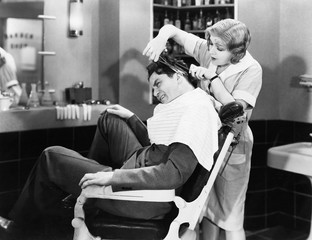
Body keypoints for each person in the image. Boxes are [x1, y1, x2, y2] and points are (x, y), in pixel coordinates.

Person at [0, 54, 220, 239]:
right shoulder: (191, 101)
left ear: (179, 76)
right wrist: (132, 118)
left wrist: (112, 177)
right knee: (110, 117)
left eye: (158, 83)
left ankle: (16, 230)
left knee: (52, 156)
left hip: (146, 198)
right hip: (142, 167)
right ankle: (85, 190)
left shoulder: (196, 111)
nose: (155, 93)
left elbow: (172, 175)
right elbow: (161, 145)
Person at [143, 19, 262, 240]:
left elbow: (235, 112)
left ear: (236, 51)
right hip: (205, 141)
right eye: (210, 44)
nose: (211, 50)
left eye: (219, 48)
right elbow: (173, 30)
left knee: (230, 218)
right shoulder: (211, 53)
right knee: (201, 210)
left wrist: (212, 78)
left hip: (233, 146)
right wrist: (161, 38)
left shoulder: (251, 69)